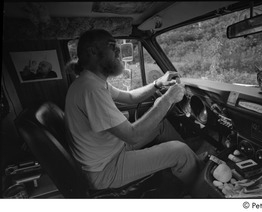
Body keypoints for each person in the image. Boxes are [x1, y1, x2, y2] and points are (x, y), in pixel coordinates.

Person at [64, 29, 204, 196]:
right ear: (93, 51)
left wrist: (158, 83)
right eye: (111, 46)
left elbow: (130, 97)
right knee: (179, 150)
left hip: (111, 151)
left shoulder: (92, 81)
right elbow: (133, 135)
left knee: (161, 126)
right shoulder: (91, 89)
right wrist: (167, 100)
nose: (118, 51)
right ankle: (201, 192)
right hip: (105, 170)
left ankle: (191, 163)